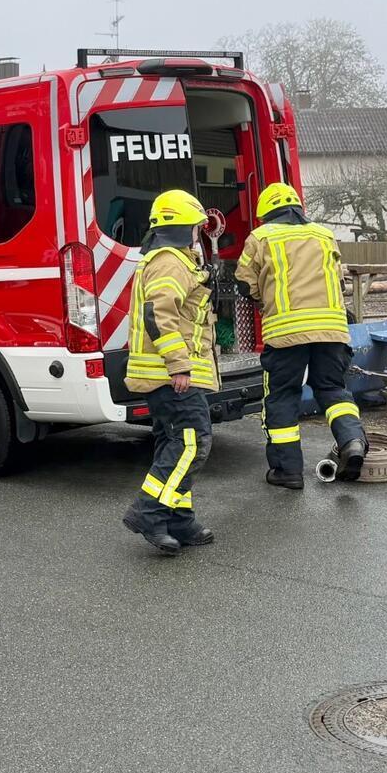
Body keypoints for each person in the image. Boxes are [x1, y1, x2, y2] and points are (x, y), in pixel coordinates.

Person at [235, 182, 366, 488]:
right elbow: (339, 279)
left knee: (282, 397)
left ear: (265, 213)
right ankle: (352, 442)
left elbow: (244, 283)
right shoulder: (324, 234)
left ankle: (288, 471)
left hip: (285, 332)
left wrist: (263, 297)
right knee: (333, 390)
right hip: (332, 329)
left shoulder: (261, 237)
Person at [121, 189, 219, 555]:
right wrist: (179, 366)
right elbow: (158, 317)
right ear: (181, 228)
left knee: (173, 442)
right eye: (195, 229)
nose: (198, 235)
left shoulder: (172, 260)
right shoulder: (169, 262)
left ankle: (179, 520)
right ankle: (149, 511)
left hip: (166, 374)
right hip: (172, 374)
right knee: (192, 444)